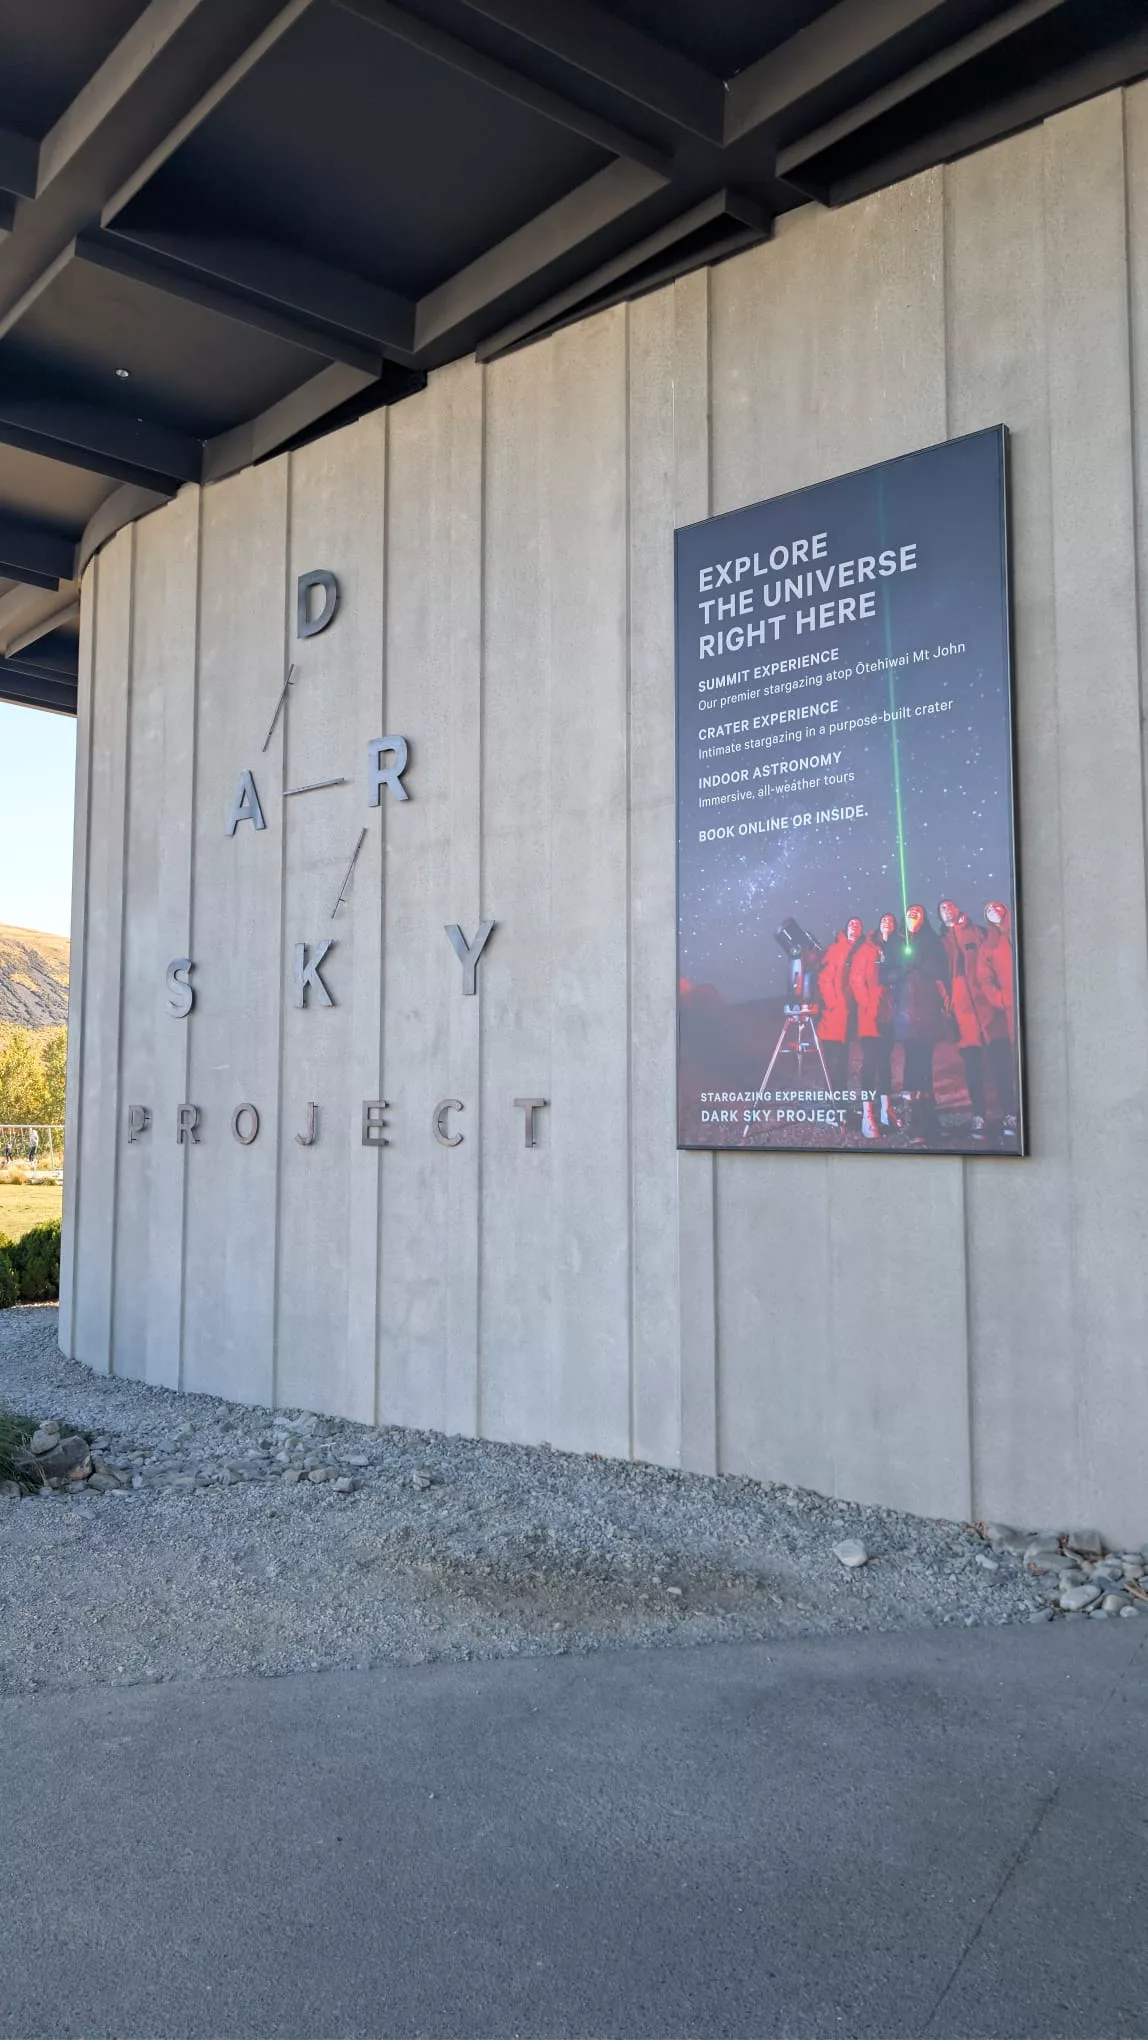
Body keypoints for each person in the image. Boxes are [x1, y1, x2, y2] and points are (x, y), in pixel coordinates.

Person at [892, 904, 949, 1145]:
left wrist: (914, 964)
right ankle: (914, 1125)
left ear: (924, 919)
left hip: (926, 1018)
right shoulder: (898, 944)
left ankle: (930, 1125)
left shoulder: (931, 942)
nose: (912, 915)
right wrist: (902, 970)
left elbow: (937, 968)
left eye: (917, 912)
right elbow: (886, 974)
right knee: (911, 1072)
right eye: (908, 913)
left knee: (925, 1071)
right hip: (906, 1019)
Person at [937, 898, 992, 1142]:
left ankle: (1012, 1113)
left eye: (949, 906)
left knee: (1001, 1062)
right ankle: (979, 1114)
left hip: (988, 1008)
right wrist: (947, 1001)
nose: (946, 909)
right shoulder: (942, 942)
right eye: (942, 908)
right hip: (962, 1011)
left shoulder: (976, 932)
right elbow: (940, 975)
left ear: (958, 909)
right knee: (972, 1065)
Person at [848, 918, 895, 1138]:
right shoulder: (866, 950)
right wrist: (868, 1006)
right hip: (870, 1017)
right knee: (870, 1064)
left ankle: (887, 1109)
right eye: (884, 920)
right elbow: (856, 980)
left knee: (886, 1062)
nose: (888, 923)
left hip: (889, 1015)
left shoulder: (893, 948)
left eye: (892, 921)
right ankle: (868, 1114)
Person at [978, 900, 1018, 1140]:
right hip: (1008, 1010)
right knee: (1011, 1062)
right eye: (988, 909)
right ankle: (1013, 1113)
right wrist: (1001, 999)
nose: (994, 910)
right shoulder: (988, 946)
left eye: (996, 906)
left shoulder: (1018, 928)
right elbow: (984, 979)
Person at [816, 918, 862, 1093]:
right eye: (851, 924)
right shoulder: (835, 950)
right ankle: (834, 1102)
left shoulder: (863, 950)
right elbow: (824, 978)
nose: (854, 926)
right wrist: (833, 1002)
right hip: (834, 1015)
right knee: (834, 1060)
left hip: (851, 1013)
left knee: (844, 1059)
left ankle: (840, 1102)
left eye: (858, 925)